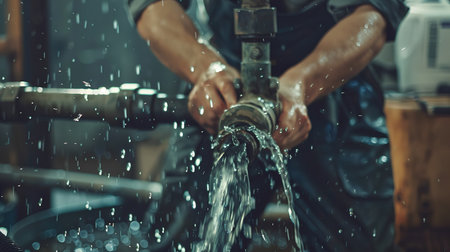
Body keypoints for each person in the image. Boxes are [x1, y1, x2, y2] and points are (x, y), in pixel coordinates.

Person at [127, 0, 408, 251]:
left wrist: (302, 82)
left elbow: (374, 14)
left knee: (351, 243)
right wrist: (204, 68)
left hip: (333, 77)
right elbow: (152, 6)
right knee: (184, 238)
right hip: (223, 87)